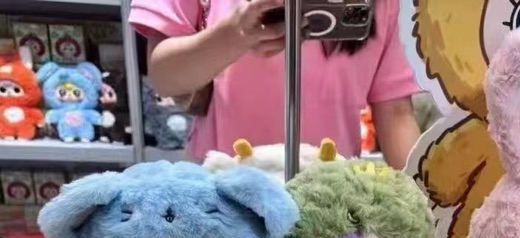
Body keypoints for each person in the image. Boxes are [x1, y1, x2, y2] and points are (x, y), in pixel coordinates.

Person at [129, 0, 422, 169]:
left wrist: (426, 215)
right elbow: (164, 77)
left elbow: (396, 112)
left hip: (328, 204)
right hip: (224, 200)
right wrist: (233, 35)